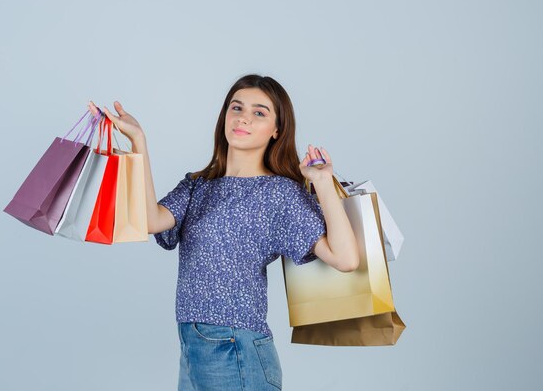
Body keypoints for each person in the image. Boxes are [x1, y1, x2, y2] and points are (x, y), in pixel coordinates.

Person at [88, 74, 360, 391]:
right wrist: (138, 141)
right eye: (237, 107)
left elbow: (345, 259)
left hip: (235, 349)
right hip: (192, 347)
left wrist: (323, 182)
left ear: (277, 130)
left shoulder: (278, 193)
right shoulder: (198, 185)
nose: (244, 117)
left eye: (259, 112)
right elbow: (150, 220)